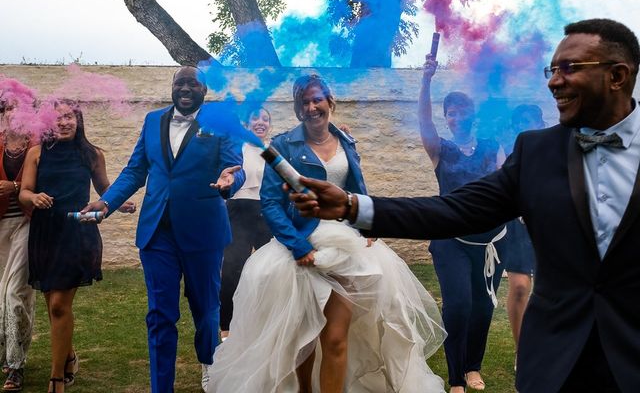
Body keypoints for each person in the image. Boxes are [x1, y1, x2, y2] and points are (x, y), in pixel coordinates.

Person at [291, 18, 640, 393]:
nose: (555, 81)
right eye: (551, 70)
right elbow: (453, 210)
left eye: (569, 69)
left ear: (617, 76)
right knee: (460, 306)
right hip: (556, 363)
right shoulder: (536, 151)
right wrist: (352, 206)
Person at [207, 74, 446, 393]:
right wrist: (298, 247)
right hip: (300, 253)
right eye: (304, 102)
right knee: (302, 342)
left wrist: (367, 222)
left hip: (346, 251)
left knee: (335, 339)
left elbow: (357, 188)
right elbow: (271, 201)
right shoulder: (282, 145)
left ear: (330, 101)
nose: (311, 106)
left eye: (317, 99)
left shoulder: (346, 142)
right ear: (297, 108)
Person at [83, 66, 245, 393]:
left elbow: (234, 168)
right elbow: (135, 171)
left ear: (204, 89)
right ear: (172, 87)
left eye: (193, 83)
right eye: (179, 83)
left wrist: (229, 182)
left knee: (206, 310)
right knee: (159, 315)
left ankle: (208, 364)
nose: (185, 88)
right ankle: (161, 388)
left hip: (203, 231)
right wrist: (106, 202)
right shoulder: (153, 120)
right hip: (157, 232)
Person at [19, 100, 135, 393]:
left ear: (78, 120)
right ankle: (68, 355)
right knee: (52, 304)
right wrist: (33, 199)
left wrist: (118, 204)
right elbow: (24, 193)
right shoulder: (36, 153)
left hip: (77, 233)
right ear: (48, 122)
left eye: (69, 117)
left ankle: (56, 378)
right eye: (57, 118)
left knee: (59, 305)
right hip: (45, 234)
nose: (64, 122)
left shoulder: (92, 154)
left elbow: (105, 188)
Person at [418, 58, 506, 392]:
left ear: (473, 115)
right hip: (450, 240)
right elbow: (424, 121)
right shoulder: (442, 151)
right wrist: (426, 81)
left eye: (461, 111)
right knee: (458, 305)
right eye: (449, 113)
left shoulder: (490, 147)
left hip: (491, 243)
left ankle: (473, 367)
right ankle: (456, 378)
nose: (455, 117)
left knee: (483, 306)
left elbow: (506, 182)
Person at [218, 107, 273, 342]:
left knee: (270, 271)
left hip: (268, 213)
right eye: (255, 118)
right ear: (247, 123)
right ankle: (226, 328)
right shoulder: (236, 147)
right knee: (231, 271)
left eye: (265, 119)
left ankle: (268, 322)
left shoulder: (275, 149)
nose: (260, 122)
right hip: (238, 211)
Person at [502, 105, 544, 356]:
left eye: (529, 121)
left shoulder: (555, 152)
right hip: (517, 228)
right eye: (520, 123)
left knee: (548, 291)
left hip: (547, 229)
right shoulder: (508, 155)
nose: (525, 126)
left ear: (540, 123)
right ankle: (523, 351)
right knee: (519, 287)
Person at [0, 101, 35, 392]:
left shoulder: (38, 144)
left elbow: (48, 180)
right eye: (9, 108)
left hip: (28, 223)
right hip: (0, 227)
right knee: (1, 294)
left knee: (15, 293)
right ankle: (6, 352)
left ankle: (15, 365)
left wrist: (14, 187)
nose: (15, 112)